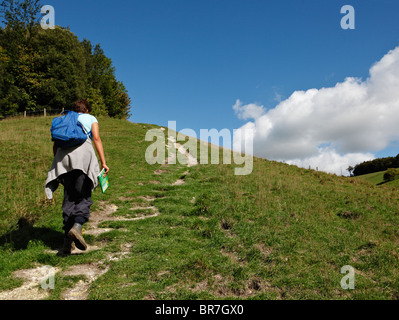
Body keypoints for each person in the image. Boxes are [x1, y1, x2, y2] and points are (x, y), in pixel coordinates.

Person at [45, 99, 109, 254]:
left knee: (69, 197)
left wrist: (59, 162)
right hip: (83, 158)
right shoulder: (90, 118)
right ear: (86, 110)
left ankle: (67, 242)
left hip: (63, 159)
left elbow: (55, 145)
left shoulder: (64, 118)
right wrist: (103, 162)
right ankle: (78, 227)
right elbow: (96, 139)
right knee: (83, 195)